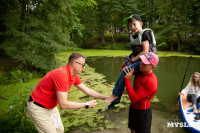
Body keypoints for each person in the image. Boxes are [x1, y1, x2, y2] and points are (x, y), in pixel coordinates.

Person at [25, 52, 107, 133]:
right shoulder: (62, 75)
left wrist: (105, 97)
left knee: (60, 130)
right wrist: (86, 104)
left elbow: (87, 90)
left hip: (51, 107)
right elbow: (63, 105)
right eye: (83, 65)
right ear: (74, 64)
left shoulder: (73, 76)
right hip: (38, 108)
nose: (84, 67)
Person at [104, 14, 157, 108]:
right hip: (139, 59)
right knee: (122, 69)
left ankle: (115, 94)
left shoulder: (144, 34)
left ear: (141, 23)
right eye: (130, 26)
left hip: (146, 61)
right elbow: (136, 51)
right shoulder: (134, 36)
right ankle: (117, 98)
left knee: (125, 70)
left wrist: (132, 60)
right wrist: (129, 58)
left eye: (134, 24)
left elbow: (145, 51)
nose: (132, 27)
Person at [124, 52, 159, 133]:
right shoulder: (140, 71)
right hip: (133, 108)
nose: (141, 65)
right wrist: (127, 63)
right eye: (141, 62)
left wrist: (127, 79)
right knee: (132, 129)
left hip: (143, 112)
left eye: (145, 64)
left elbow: (133, 98)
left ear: (152, 67)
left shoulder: (151, 81)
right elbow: (122, 71)